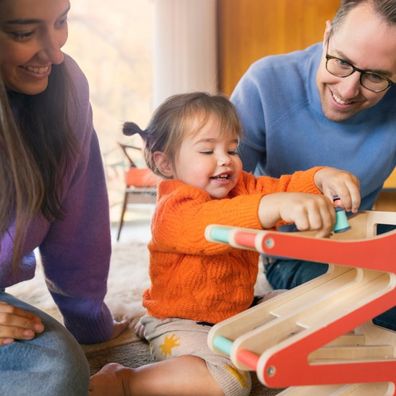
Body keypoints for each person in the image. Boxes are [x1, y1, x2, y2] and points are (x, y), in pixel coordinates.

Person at [89, 92, 360, 396]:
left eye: (232, 148)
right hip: (183, 321)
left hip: (242, 309)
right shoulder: (173, 209)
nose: (225, 159)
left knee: (315, 306)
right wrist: (271, 207)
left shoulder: (241, 185)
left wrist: (320, 178)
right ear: (165, 162)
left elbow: (280, 186)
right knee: (228, 382)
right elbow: (211, 222)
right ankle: (129, 380)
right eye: (207, 150)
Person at [231, 0, 396, 330]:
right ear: (326, 36)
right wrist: (276, 204)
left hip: (366, 239)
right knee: (384, 306)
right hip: (293, 254)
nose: (348, 90)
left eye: (375, 77)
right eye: (341, 62)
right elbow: (211, 198)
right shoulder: (266, 83)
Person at [0, 1, 127, 395]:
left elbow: (79, 220)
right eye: (23, 33)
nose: (55, 52)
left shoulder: (67, 85)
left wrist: (89, 321)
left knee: (60, 371)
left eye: (60, 22)